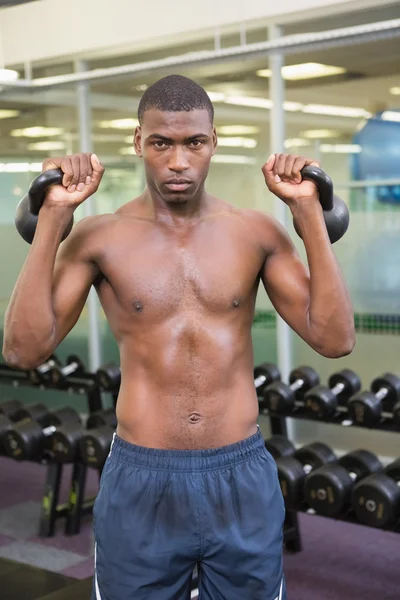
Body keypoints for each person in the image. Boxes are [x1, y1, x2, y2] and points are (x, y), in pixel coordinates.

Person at [3, 74, 355, 600]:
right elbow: (23, 350)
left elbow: (335, 339)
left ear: (213, 141)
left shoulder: (255, 232)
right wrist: (55, 216)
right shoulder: (100, 238)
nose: (178, 162)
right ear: (138, 142)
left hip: (240, 471)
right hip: (141, 476)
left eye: (194, 143)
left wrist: (307, 211)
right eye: (161, 143)